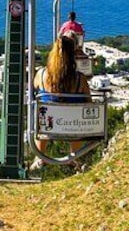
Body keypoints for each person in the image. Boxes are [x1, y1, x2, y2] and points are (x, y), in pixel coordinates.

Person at [33, 33, 92, 161]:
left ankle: (40, 158)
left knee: (42, 119)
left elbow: (34, 91)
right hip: (73, 127)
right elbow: (89, 102)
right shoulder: (79, 79)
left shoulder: (42, 75)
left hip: (48, 127)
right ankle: (75, 159)